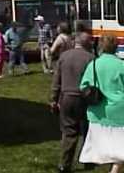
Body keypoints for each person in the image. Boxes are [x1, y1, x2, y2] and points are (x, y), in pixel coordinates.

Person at [79, 35, 124, 173]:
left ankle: (113, 169)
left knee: (107, 145)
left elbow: (83, 86)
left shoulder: (93, 64)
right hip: (122, 112)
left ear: (100, 47)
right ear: (116, 47)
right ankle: (115, 169)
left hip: (99, 112)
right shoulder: (123, 65)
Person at [50, 32, 94, 173]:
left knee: (69, 132)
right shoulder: (91, 58)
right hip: (85, 98)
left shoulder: (64, 56)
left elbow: (57, 81)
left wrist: (53, 99)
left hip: (66, 97)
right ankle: (87, 160)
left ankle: (65, 164)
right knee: (87, 131)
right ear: (86, 43)